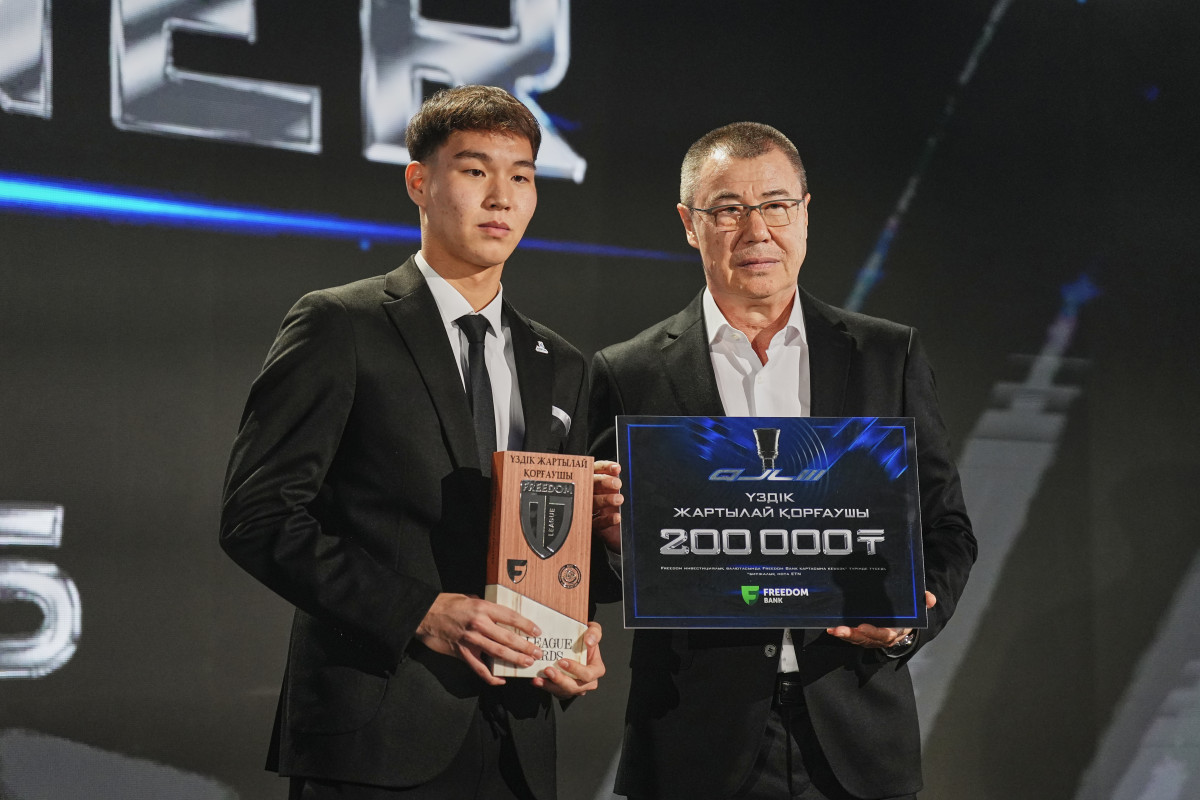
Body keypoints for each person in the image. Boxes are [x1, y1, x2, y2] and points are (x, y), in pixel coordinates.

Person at [220, 85, 606, 800]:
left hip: (518, 742)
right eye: (475, 170)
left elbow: (554, 547)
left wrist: (574, 634)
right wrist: (422, 613)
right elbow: (259, 517)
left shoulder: (561, 363)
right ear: (418, 182)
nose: (501, 197)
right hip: (375, 736)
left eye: (522, 176)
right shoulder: (341, 324)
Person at [588, 122, 976, 800]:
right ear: (689, 224)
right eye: (728, 209)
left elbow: (947, 530)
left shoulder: (886, 356)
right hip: (694, 742)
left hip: (858, 739)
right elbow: (597, 568)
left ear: (805, 213)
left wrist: (909, 618)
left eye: (775, 205)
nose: (756, 230)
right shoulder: (628, 373)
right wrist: (619, 543)